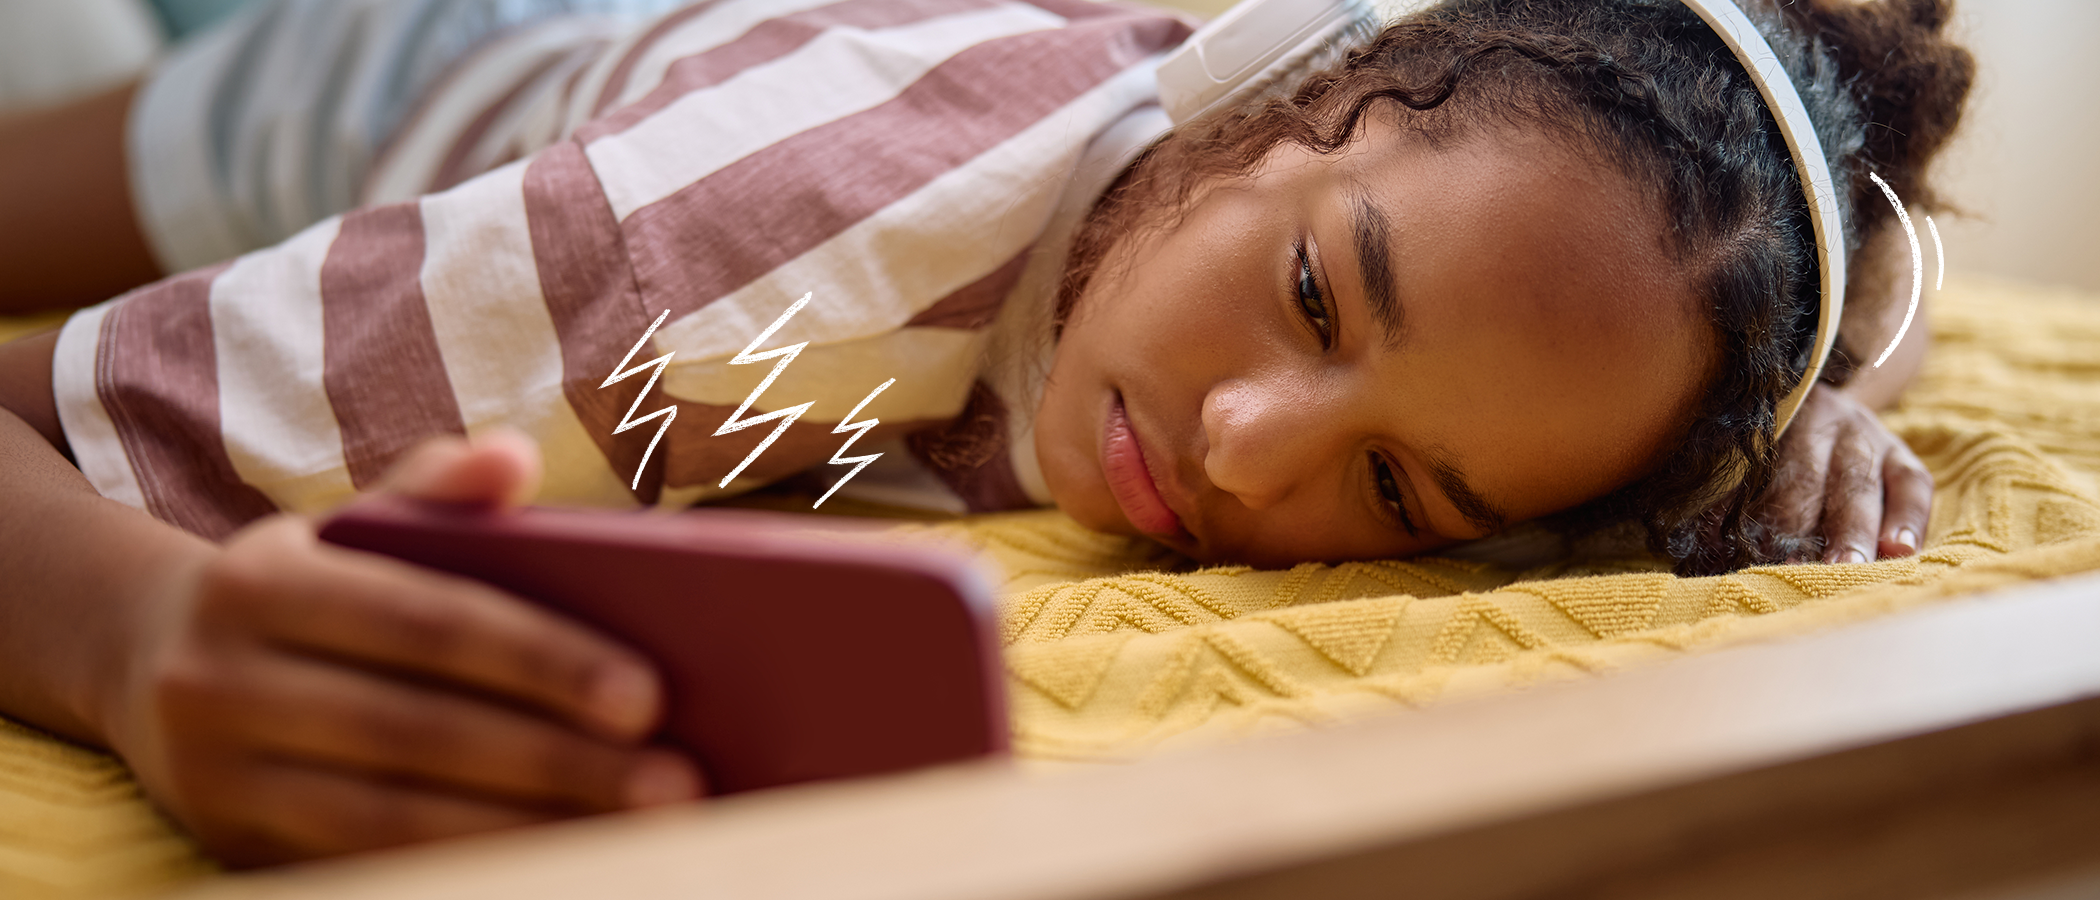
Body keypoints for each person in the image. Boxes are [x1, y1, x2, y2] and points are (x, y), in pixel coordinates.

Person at [0, 0, 1970, 866]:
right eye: (1310, 298)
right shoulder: (724, 254)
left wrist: (1806, 424)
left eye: (1402, 491)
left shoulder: (1537, 329)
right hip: (420, 73)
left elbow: (1675, 323)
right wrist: (134, 640)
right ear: (1266, 76)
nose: (1250, 456)